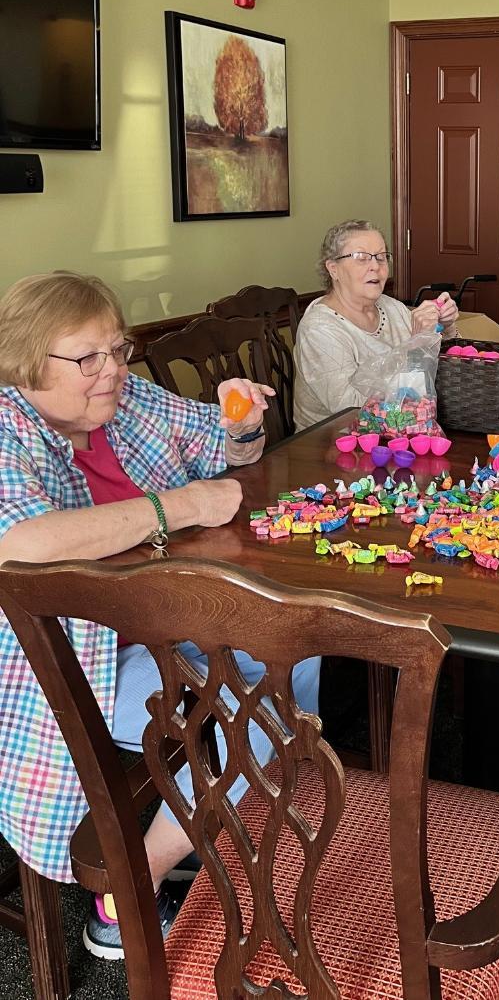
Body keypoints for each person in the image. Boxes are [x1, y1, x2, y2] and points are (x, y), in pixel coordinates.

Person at [0, 270, 321, 960]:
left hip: (163, 612)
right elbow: (19, 542)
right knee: (262, 704)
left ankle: (218, 825)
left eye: (118, 349)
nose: (113, 369)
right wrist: (176, 507)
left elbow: (222, 447)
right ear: (24, 362)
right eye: (88, 358)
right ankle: (130, 887)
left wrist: (241, 424)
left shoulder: (124, 396)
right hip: (65, 656)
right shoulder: (6, 427)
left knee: (297, 642)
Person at [293, 220, 459, 430]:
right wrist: (417, 345)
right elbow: (353, 409)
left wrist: (445, 326)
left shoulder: (392, 307)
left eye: (381, 257)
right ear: (333, 269)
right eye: (361, 258)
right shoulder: (319, 329)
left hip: (403, 430)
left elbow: (439, 372)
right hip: (333, 443)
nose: (375, 266)